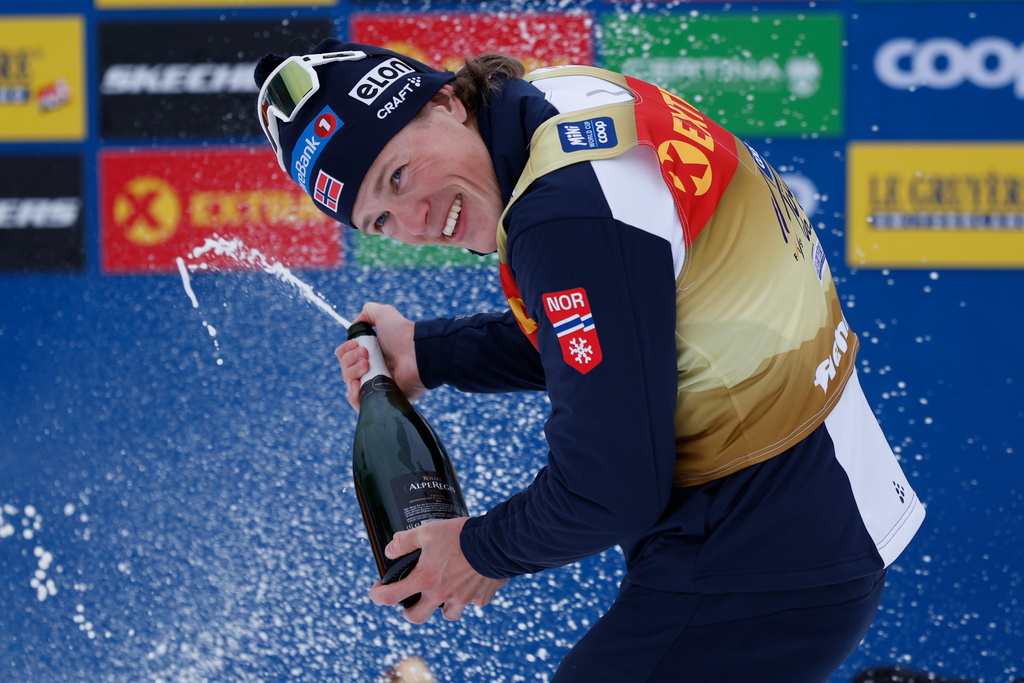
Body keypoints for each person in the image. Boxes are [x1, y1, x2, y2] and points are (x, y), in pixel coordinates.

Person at [255, 39, 926, 682]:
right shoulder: (559, 99)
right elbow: (626, 324)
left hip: (763, 550)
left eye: (398, 176)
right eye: (381, 222)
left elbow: (612, 485)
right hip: (807, 503)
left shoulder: (563, 212)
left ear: (448, 102)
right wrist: (431, 352)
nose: (417, 219)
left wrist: (475, 550)